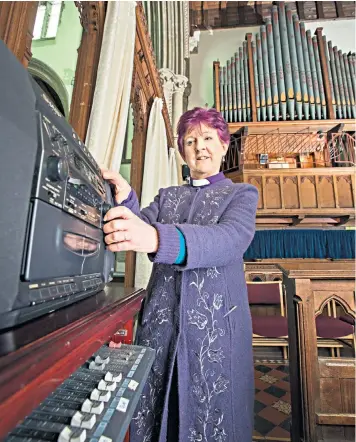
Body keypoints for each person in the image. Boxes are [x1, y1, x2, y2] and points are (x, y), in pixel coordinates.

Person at [102, 107, 258, 442]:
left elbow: (229, 240)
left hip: (214, 331)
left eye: (207, 138)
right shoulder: (168, 197)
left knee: (212, 418)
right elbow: (138, 226)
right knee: (157, 410)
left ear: (223, 145)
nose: (200, 146)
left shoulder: (241, 194)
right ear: (182, 150)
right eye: (190, 140)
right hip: (160, 326)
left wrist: (158, 238)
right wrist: (125, 197)